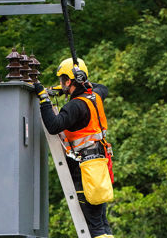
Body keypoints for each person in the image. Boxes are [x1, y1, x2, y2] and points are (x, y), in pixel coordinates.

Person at [34, 58, 114, 238]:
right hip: (99, 166)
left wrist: (44, 98)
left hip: (84, 171)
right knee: (101, 222)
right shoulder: (95, 97)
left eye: (62, 80)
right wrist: (75, 83)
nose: (60, 84)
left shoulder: (75, 106)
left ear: (68, 81)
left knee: (94, 227)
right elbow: (102, 87)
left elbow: (54, 126)